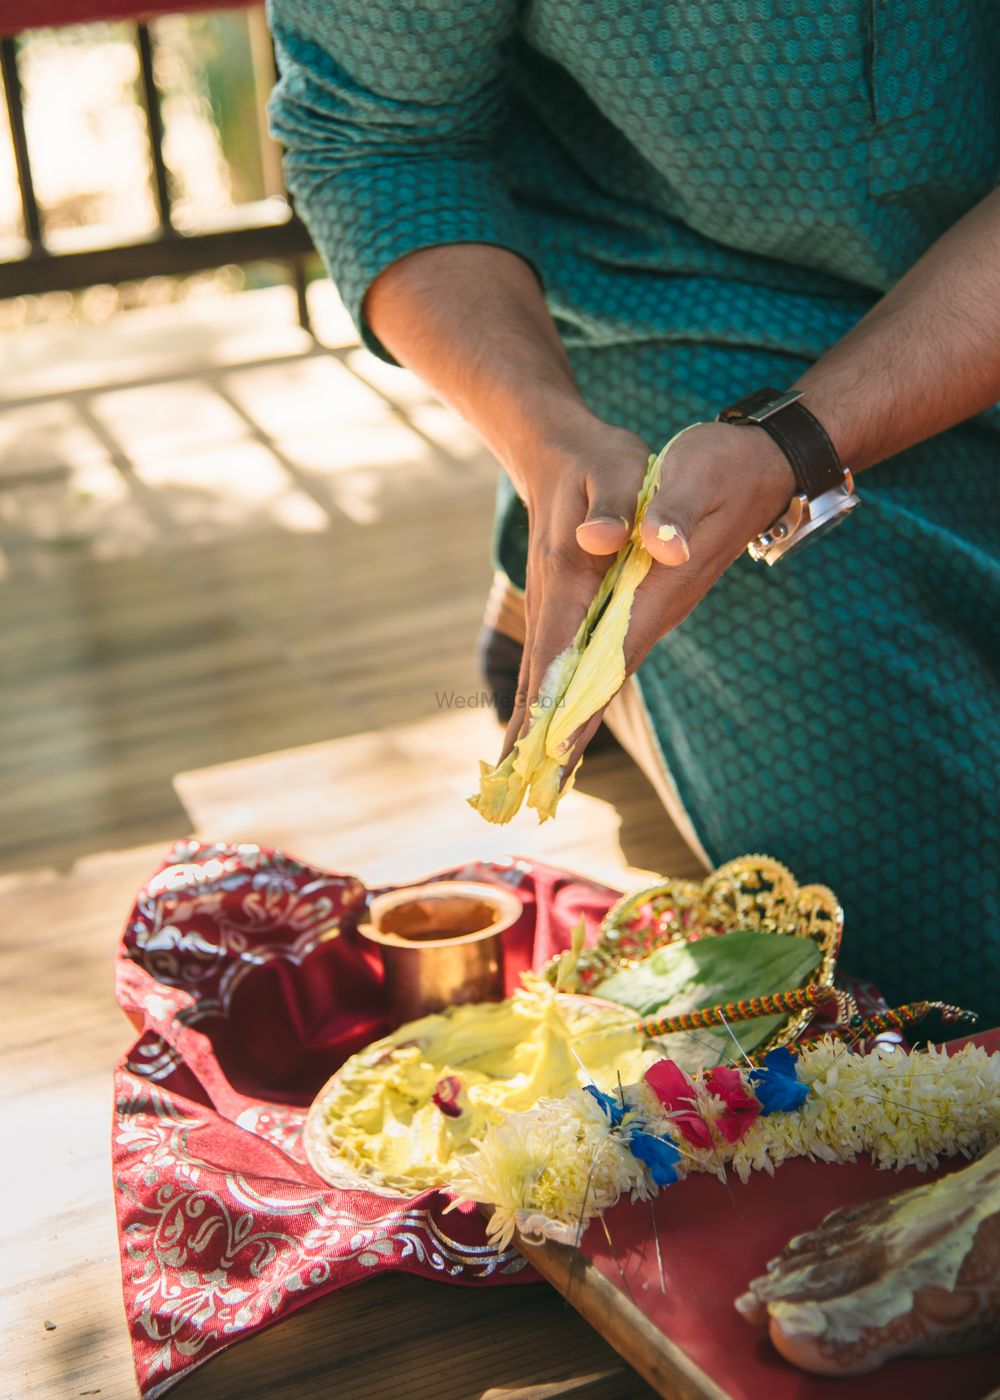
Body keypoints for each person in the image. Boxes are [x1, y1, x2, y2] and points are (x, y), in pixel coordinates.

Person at [265, 4, 1000, 1033]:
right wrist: (544, 429)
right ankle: (567, 560)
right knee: (951, 976)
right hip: (682, 311)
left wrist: (803, 440)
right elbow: (382, 138)